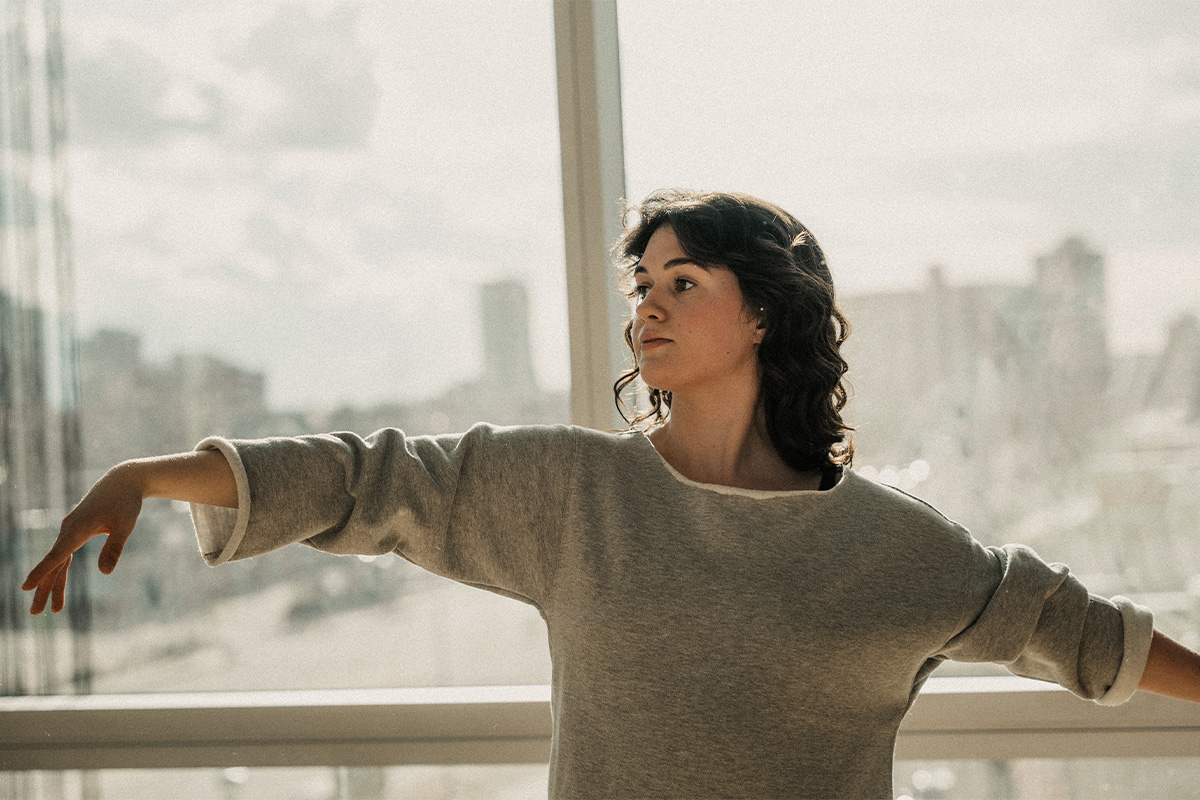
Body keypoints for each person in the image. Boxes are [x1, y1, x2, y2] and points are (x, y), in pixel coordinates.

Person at [22, 189, 1200, 799]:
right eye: (643, 280)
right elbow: (367, 477)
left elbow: (1074, 627)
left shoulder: (895, 547)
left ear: (766, 312)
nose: (647, 303)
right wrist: (146, 471)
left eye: (683, 279)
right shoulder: (573, 491)